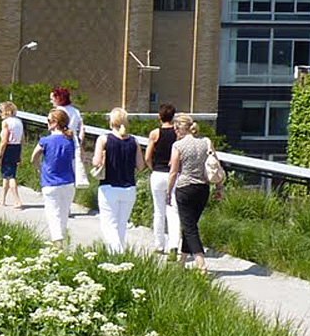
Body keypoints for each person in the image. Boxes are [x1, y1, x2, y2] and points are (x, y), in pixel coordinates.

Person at [164, 112, 223, 273]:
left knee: (189, 227)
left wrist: (168, 192)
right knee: (190, 224)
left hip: (185, 188)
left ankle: (201, 264)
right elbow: (215, 165)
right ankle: (182, 261)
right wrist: (219, 187)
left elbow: (173, 172)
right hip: (203, 188)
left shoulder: (178, 146)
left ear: (178, 128)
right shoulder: (206, 142)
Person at [92, 107, 142, 253]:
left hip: (109, 187)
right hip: (129, 188)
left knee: (108, 225)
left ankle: (118, 253)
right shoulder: (134, 141)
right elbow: (140, 166)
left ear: (111, 121)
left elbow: (96, 162)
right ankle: (116, 257)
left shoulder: (104, 139)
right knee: (121, 226)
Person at [30, 108, 80, 245]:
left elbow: (33, 158)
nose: (47, 123)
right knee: (63, 216)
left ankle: (57, 243)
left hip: (50, 182)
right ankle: (62, 241)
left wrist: (39, 168)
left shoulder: (45, 141)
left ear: (55, 123)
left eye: (48, 120)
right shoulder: (70, 140)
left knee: (53, 215)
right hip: (68, 182)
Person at [145, 104, 181, 258]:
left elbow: (147, 156)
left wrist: (152, 168)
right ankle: (174, 245)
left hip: (158, 173)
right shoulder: (178, 134)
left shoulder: (155, 133)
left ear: (159, 117)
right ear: (173, 117)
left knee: (158, 211)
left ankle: (159, 245)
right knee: (173, 211)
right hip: (174, 174)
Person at [48, 86, 88, 212]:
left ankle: (58, 203)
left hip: (58, 141)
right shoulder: (75, 111)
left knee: (56, 170)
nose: (51, 101)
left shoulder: (56, 112)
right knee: (71, 171)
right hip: (73, 141)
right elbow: (82, 128)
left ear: (58, 98)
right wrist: (80, 142)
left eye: (52, 98)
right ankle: (68, 204)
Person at [0, 100, 24, 207]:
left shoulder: (6, 122)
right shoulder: (19, 121)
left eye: (0, 111)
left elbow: (4, 140)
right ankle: (2, 198)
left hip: (8, 148)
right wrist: (20, 154)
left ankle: (17, 201)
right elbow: (22, 139)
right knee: (6, 175)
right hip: (17, 147)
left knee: (11, 176)